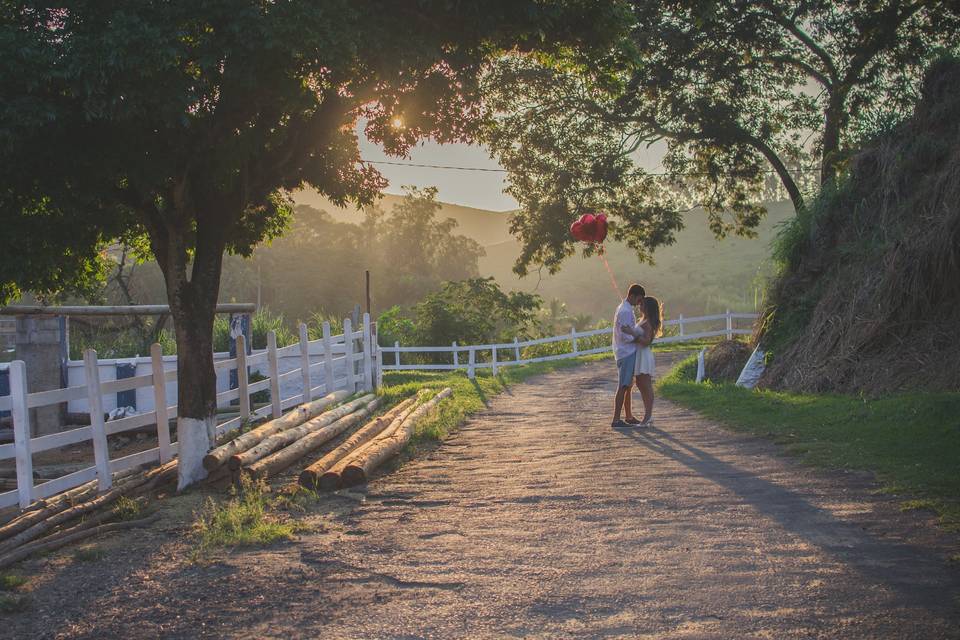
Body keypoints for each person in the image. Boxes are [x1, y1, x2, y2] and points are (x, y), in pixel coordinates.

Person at [624, 296, 663, 426]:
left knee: (646, 386)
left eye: (642, 305)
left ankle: (648, 416)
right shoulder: (643, 320)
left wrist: (632, 333)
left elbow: (646, 341)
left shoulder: (648, 323)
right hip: (638, 354)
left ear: (647, 308)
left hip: (643, 355)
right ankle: (647, 415)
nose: (639, 307)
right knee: (640, 385)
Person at [611, 283, 645, 428]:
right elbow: (625, 335)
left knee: (628, 386)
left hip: (626, 351)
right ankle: (616, 419)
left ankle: (629, 416)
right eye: (639, 300)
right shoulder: (625, 311)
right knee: (623, 385)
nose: (639, 304)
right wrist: (639, 338)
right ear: (632, 296)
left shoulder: (624, 308)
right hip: (626, 352)